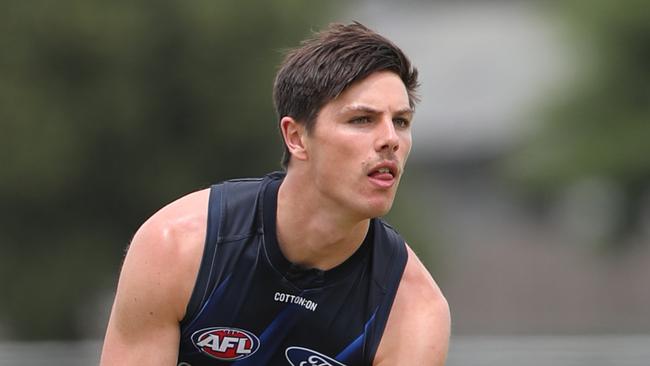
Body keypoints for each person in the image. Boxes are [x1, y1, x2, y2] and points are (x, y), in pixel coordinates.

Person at [100, 22, 450, 366]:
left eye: (401, 122)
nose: (391, 139)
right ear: (296, 137)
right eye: (362, 119)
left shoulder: (413, 312)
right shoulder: (175, 246)